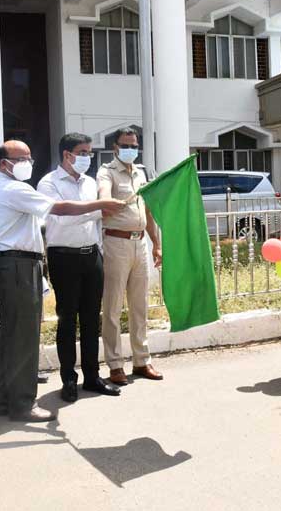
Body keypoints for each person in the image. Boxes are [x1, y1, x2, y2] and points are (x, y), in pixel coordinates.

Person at [0, 140, 125, 422]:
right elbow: (58, 210)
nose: (29, 162)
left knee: (13, 336)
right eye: (22, 158)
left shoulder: (4, 187)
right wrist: (102, 204)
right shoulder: (14, 188)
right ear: (4, 163)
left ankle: (7, 400)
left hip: (20, 263)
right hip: (19, 265)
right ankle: (23, 403)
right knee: (24, 337)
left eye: (30, 157)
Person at [37, 133, 120, 403]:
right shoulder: (48, 184)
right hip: (63, 257)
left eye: (89, 153)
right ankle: (68, 379)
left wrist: (99, 246)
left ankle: (92, 376)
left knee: (90, 318)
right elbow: (60, 220)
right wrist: (97, 210)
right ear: (67, 154)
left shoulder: (90, 182)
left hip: (90, 256)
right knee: (67, 320)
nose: (87, 157)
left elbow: (94, 223)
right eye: (82, 152)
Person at [97, 127, 163, 385]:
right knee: (112, 308)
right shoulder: (107, 172)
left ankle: (141, 360)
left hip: (140, 244)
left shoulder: (141, 173)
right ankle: (115, 365)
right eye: (126, 145)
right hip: (116, 243)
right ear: (115, 147)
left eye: (134, 145)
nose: (130, 150)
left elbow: (146, 212)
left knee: (139, 306)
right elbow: (103, 196)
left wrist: (156, 243)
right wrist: (107, 200)